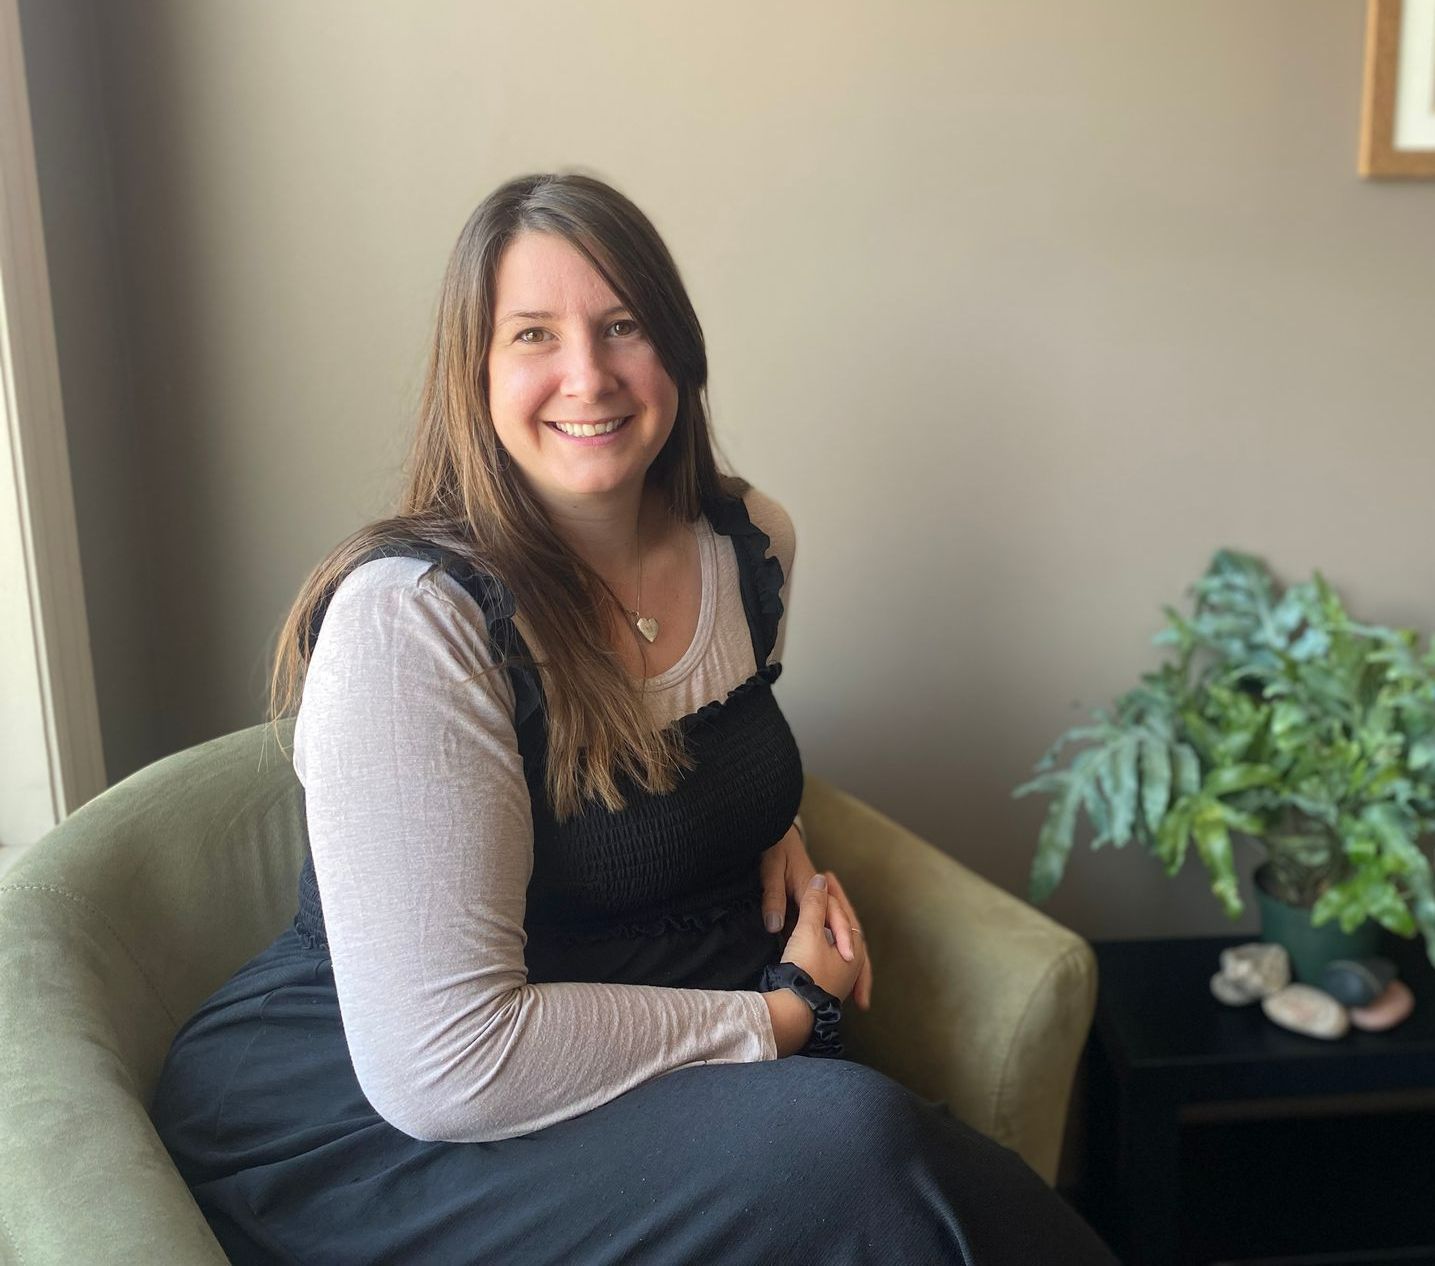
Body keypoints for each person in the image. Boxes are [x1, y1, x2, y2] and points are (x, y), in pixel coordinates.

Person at [149, 171, 1117, 1265]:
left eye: (623, 326)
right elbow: (445, 1064)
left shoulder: (748, 543)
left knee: (890, 1173)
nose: (588, 375)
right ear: (472, 373)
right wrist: (781, 1018)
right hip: (386, 1113)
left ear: (679, 352)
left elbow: (696, 753)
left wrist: (768, 820)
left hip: (638, 1030)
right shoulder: (413, 623)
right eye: (531, 334)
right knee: (855, 1147)